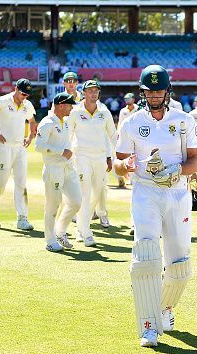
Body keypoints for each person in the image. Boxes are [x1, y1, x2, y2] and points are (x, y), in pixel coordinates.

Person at [113, 64, 197, 347]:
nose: (154, 96)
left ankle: (164, 307)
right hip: (145, 193)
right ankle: (148, 325)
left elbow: (195, 161)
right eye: (149, 92)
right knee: (147, 258)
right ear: (142, 93)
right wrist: (125, 165)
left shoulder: (184, 120)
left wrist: (176, 172)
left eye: (158, 90)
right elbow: (118, 164)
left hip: (176, 194)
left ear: (167, 91)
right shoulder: (131, 122)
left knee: (179, 266)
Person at [0, 78, 37, 230]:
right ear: (16, 88)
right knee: (1, 183)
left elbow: (32, 121)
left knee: (21, 183)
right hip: (4, 148)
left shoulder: (27, 105)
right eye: (23, 93)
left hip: (20, 149)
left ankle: (22, 218)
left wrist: (30, 136)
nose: (25, 97)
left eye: (27, 95)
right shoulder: (2, 101)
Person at [67, 80, 116, 246]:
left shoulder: (104, 112)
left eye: (96, 91)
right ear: (84, 93)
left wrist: (112, 156)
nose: (94, 93)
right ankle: (85, 232)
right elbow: (68, 134)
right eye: (90, 91)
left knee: (97, 194)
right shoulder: (75, 111)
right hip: (81, 157)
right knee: (85, 193)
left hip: (100, 157)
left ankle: (81, 226)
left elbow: (112, 136)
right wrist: (67, 156)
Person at [34, 92, 81, 252]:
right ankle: (50, 239)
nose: (71, 108)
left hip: (68, 168)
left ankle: (60, 231)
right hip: (53, 169)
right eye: (69, 105)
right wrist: (60, 151)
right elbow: (38, 146)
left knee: (76, 201)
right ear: (61, 105)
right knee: (53, 205)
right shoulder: (47, 123)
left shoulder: (65, 122)